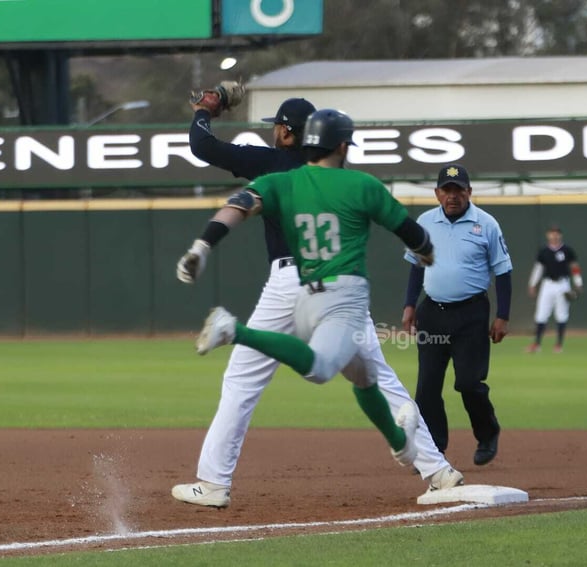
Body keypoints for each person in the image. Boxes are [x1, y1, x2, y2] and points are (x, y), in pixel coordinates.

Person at [172, 95, 463, 508]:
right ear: (340, 145)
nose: (276, 132)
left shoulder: (273, 169)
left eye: (279, 126)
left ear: (291, 132)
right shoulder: (353, 182)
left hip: (289, 280)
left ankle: (215, 481)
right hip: (342, 286)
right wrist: (425, 250)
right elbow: (410, 233)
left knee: (243, 381)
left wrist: (204, 110)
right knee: (376, 375)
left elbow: (208, 156)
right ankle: (437, 470)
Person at [402, 164, 513, 467]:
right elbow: (416, 265)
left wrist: (502, 315)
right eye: (447, 190)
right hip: (432, 312)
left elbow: (503, 271)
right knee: (426, 388)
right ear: (437, 193)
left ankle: (488, 433)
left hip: (471, 314)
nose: (453, 196)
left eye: (458, 190)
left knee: (468, 383)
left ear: (469, 192)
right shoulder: (425, 221)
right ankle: (434, 450)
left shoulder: (486, 224)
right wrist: (409, 305)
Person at [527, 224, 583, 354]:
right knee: (541, 314)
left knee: (562, 314)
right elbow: (538, 269)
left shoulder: (567, 250)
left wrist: (578, 282)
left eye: (557, 232)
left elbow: (574, 267)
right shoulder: (544, 251)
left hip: (563, 284)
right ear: (548, 235)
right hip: (547, 284)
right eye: (552, 232)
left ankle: (558, 345)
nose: (554, 235)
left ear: (560, 235)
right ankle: (537, 344)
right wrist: (532, 284)